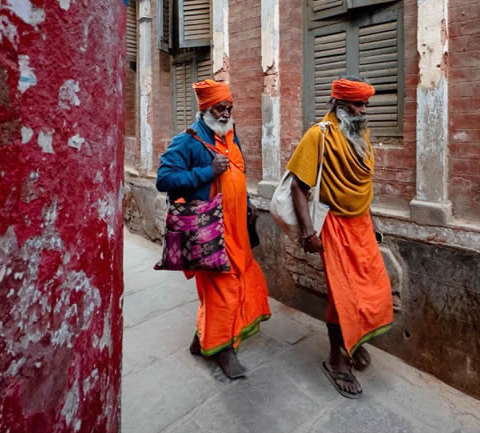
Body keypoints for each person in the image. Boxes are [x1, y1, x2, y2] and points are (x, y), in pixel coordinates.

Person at [286, 76, 393, 399]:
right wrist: (307, 233)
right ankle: (337, 361)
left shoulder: (361, 135)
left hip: (360, 225)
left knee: (375, 292)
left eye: (365, 105)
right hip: (332, 226)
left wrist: (370, 221)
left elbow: (362, 187)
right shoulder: (317, 136)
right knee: (343, 296)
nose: (363, 111)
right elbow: (297, 187)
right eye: (356, 105)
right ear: (339, 105)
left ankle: (353, 341)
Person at [156, 79, 270, 379]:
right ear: (205, 108)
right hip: (210, 232)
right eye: (220, 108)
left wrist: (246, 202)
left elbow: (237, 173)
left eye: (229, 108)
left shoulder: (231, 136)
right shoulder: (188, 141)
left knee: (245, 282)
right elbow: (164, 180)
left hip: (238, 230)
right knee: (223, 292)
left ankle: (202, 341)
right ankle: (223, 350)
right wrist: (207, 171)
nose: (225, 114)